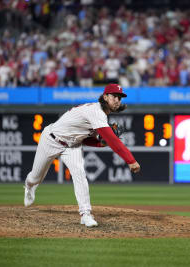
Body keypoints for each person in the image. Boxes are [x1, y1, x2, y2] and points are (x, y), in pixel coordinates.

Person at [23, 84, 141, 227]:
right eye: (114, 96)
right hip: (51, 139)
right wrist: (131, 160)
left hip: (72, 145)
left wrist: (100, 144)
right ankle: (29, 186)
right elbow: (112, 139)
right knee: (35, 176)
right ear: (105, 97)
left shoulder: (100, 115)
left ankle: (86, 214)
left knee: (80, 174)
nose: (117, 100)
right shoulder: (96, 112)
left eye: (120, 98)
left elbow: (83, 138)